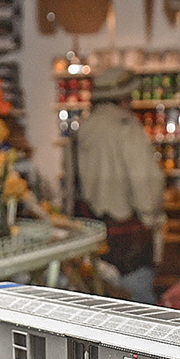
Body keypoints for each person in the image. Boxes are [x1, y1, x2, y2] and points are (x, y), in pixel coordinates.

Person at [69, 66, 164, 301]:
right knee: (140, 314)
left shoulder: (78, 133)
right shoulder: (126, 128)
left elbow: (70, 190)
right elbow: (146, 184)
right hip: (129, 243)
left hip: (90, 240)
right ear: (123, 97)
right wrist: (152, 222)